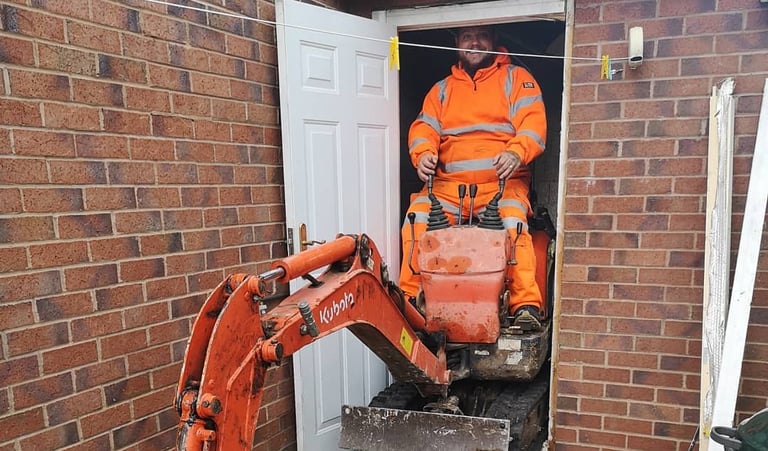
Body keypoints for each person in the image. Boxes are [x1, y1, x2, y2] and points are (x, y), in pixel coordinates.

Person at [399, 25, 547, 330]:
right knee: (417, 219)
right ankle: (410, 300)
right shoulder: (441, 90)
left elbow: (533, 125)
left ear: (494, 39)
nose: (474, 42)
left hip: (501, 185)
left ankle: (525, 305)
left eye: (481, 35)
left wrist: (516, 152)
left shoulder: (516, 79)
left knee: (512, 223)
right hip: (449, 190)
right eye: (467, 36)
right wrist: (423, 153)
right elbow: (423, 128)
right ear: (456, 43)